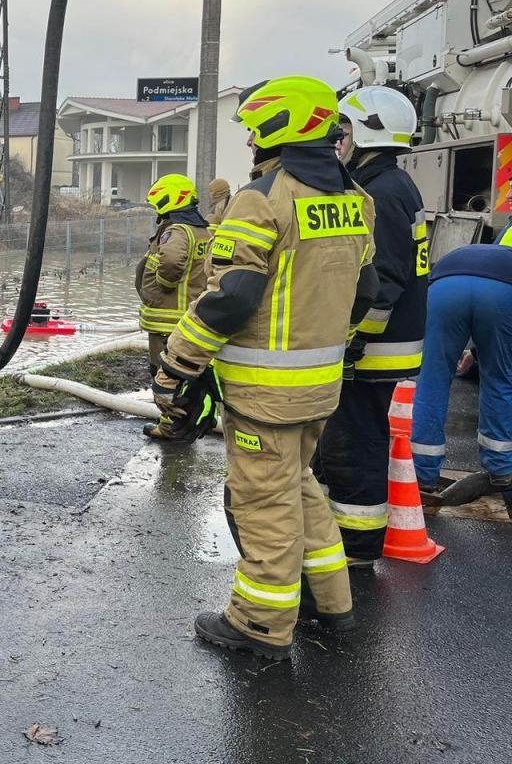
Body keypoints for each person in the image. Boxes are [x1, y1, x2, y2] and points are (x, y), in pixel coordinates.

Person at [154, 76, 379, 662]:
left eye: (256, 127)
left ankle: (259, 624)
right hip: (320, 389)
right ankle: (334, 607)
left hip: (264, 396)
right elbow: (366, 292)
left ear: (278, 128)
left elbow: (230, 299)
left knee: (264, 507)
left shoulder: (263, 199)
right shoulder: (357, 200)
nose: (251, 139)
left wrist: (177, 362)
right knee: (302, 492)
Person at [312, 86, 428, 565]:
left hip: (374, 350)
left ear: (363, 134)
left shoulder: (378, 193)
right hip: (388, 346)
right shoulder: (393, 184)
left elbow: (383, 283)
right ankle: (334, 531)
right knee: (347, 442)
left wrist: (352, 341)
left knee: (354, 446)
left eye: (342, 133)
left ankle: (357, 547)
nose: (337, 142)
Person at [410, 241, 512, 511]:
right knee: (500, 380)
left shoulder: (480, 252)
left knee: (432, 379)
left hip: (445, 286)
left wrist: (475, 353)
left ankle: (422, 474)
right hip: (502, 292)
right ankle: (501, 469)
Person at [134, 173, 213, 388]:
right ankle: (183, 419)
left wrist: (164, 283)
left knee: (163, 373)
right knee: (183, 373)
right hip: (186, 315)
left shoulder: (177, 230)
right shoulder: (202, 231)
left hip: (167, 319)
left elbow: (171, 262)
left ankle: (168, 420)